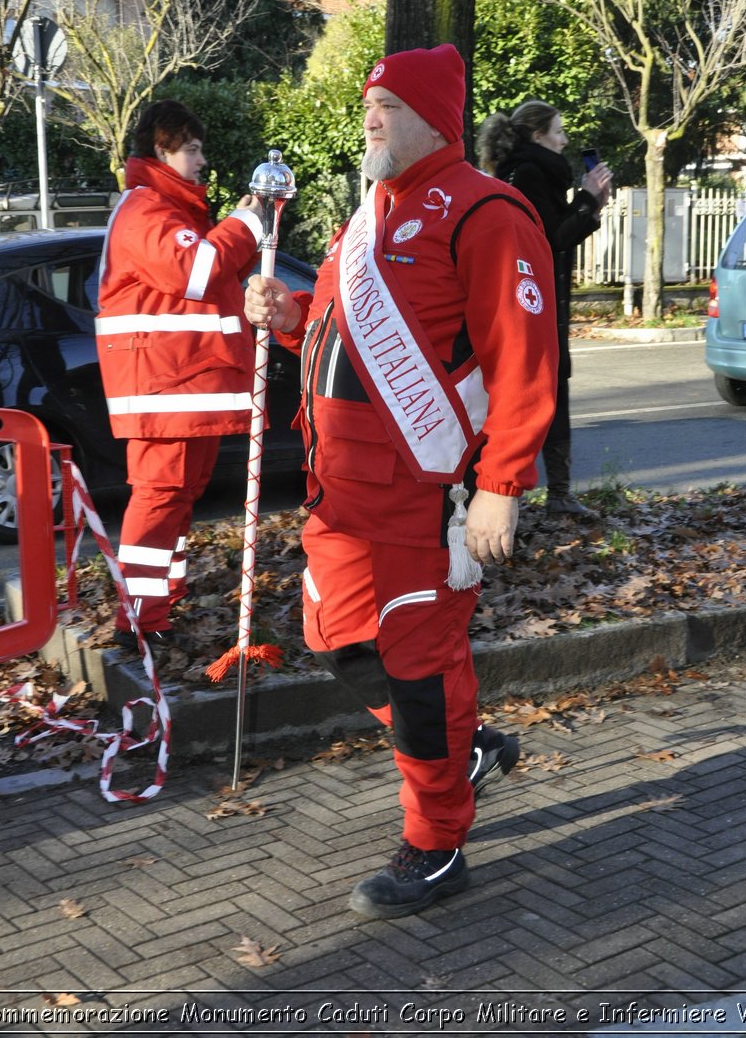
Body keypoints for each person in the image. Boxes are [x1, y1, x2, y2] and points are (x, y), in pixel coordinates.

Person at [244, 45, 559, 919]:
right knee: (338, 642)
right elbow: (355, 336)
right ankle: (461, 751)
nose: (369, 118)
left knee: (419, 672)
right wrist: (290, 317)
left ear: (432, 119)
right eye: (367, 104)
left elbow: (525, 358)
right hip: (339, 495)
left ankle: (436, 841)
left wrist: (502, 482)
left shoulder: (487, 212)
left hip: (424, 498)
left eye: (385, 104)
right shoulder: (369, 214)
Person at [95, 100, 263, 649]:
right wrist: (246, 223)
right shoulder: (147, 209)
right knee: (161, 496)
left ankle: (159, 605)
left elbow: (211, 273)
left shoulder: (168, 209)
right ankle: (139, 622)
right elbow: (197, 271)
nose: (201, 160)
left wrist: (241, 227)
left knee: (177, 495)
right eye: (191, 149)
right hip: (164, 386)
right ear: (162, 150)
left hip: (179, 383)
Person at [478, 101, 613, 517]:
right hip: (530, 304)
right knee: (537, 391)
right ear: (537, 136)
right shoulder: (530, 173)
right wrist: (588, 200)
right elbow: (550, 239)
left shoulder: (534, 171)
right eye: (559, 130)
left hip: (540, 301)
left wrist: (591, 204)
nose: (565, 139)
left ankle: (557, 493)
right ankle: (532, 494)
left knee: (554, 387)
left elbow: (554, 232)